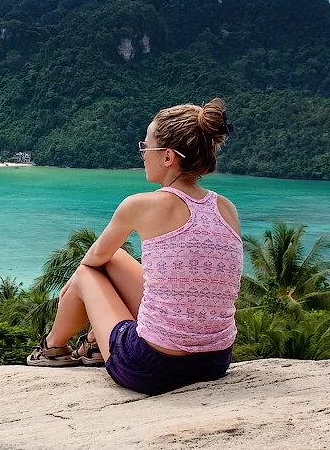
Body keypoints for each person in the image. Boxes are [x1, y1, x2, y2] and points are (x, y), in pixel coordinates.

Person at [26, 98, 243, 395]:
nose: (142, 155)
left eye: (146, 147)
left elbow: (93, 259)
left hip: (151, 367)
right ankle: (91, 344)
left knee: (87, 272)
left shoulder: (140, 205)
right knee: (114, 257)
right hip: (214, 362)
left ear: (167, 157)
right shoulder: (226, 208)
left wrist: (76, 282)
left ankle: (53, 347)